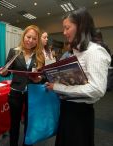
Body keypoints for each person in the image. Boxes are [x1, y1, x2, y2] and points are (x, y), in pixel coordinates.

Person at [45, 7, 111, 146]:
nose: (64, 33)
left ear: (80, 26)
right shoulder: (78, 51)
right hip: (67, 109)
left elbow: (97, 89)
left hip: (79, 114)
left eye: (67, 28)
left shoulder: (95, 51)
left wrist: (58, 87)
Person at [0, 25, 45, 146]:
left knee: (29, 122)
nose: (30, 40)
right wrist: (3, 71)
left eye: (34, 39)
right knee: (14, 123)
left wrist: (39, 79)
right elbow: (7, 70)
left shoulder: (39, 55)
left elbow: (43, 76)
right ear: (23, 36)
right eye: (28, 37)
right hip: (15, 93)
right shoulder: (14, 52)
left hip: (32, 94)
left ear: (37, 41)